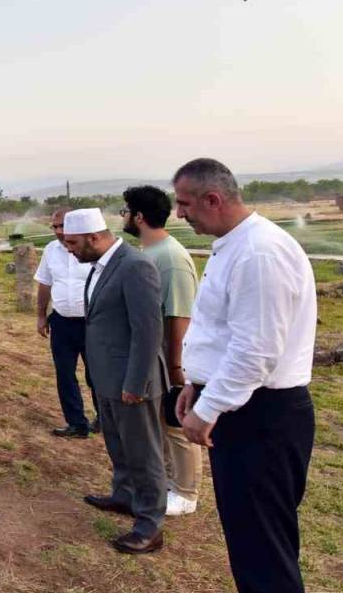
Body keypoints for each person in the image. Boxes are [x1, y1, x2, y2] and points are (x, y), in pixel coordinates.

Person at [173, 158, 316, 593]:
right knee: (253, 539)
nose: (179, 214)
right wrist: (196, 385)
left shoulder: (259, 253)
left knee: (263, 548)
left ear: (212, 199)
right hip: (243, 406)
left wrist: (209, 407)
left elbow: (256, 350)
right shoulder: (236, 245)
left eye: (184, 204)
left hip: (261, 415)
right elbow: (224, 332)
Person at [61, 208, 166, 554]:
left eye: (73, 242)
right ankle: (124, 496)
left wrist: (136, 383)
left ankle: (150, 526)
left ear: (94, 237)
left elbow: (148, 331)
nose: (69, 249)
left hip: (131, 382)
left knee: (143, 454)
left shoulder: (134, 266)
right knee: (118, 445)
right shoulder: (100, 266)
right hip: (106, 378)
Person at [121, 185, 202, 517]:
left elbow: (178, 314)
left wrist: (176, 366)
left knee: (176, 422)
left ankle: (186, 492)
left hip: (170, 358)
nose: (122, 217)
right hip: (153, 356)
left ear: (139, 217)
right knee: (161, 423)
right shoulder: (149, 253)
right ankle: (169, 481)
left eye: (126, 211)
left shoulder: (170, 257)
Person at [34, 207, 99, 438]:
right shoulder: (51, 251)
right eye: (55, 226)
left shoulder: (92, 250)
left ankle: (103, 419)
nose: (59, 231)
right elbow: (44, 283)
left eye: (63, 226)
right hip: (61, 321)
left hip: (92, 323)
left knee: (97, 374)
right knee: (64, 374)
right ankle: (76, 424)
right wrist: (41, 315)